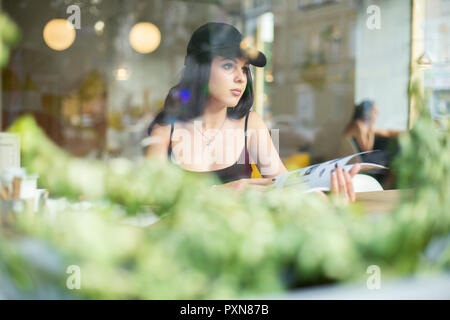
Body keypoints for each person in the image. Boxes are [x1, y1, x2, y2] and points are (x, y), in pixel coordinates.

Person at [146, 22, 360, 201]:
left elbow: (284, 187)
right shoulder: (167, 128)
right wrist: (219, 193)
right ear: (198, 69)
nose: (241, 77)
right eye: (229, 66)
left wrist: (324, 194)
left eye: (245, 68)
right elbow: (150, 196)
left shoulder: (251, 124)